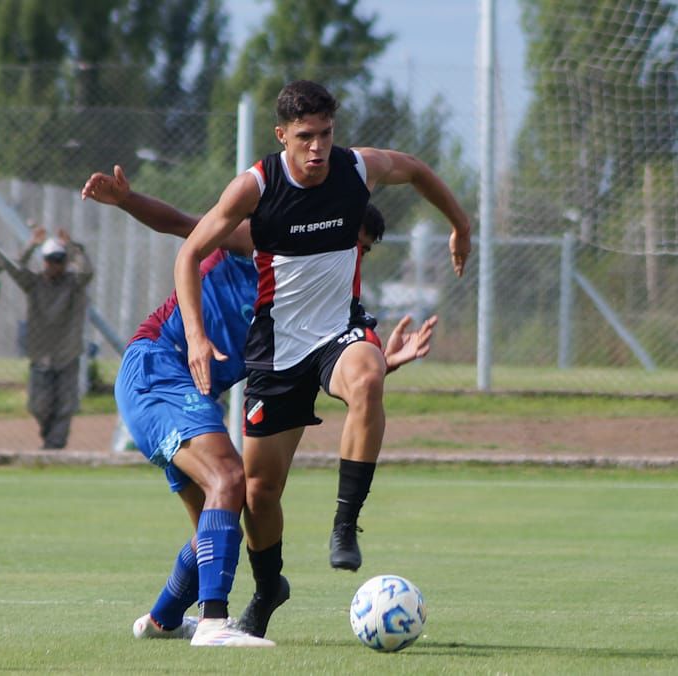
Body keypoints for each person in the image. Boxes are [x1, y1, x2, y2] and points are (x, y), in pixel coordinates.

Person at [81, 165, 438, 647]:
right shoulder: (265, 240)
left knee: (217, 520)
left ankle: (164, 620)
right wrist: (126, 200)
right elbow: (183, 223)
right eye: (352, 241)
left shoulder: (318, 298)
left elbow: (317, 365)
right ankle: (213, 625)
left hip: (189, 389)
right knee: (229, 480)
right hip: (159, 368)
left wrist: (380, 364)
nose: (353, 255)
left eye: (364, 250)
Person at [172, 79, 472, 638]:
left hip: (339, 331)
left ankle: (345, 524)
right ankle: (268, 590)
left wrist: (461, 224)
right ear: (282, 135)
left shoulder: (358, 168)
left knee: (369, 375)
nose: (317, 149)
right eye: (305, 137)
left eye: (326, 135)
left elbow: (418, 169)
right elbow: (190, 251)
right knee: (259, 492)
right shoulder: (256, 186)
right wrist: (194, 334)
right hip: (276, 350)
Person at [0, 226, 93, 449]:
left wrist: (72, 247)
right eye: (50, 259)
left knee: (65, 405)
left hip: (67, 351)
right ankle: (49, 435)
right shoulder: (34, 283)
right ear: (43, 260)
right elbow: (13, 267)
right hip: (41, 352)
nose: (54, 264)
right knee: (39, 405)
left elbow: (87, 271)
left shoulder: (73, 284)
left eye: (59, 259)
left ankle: (55, 444)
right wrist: (31, 245)